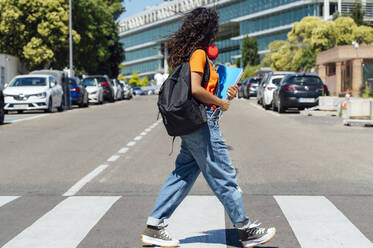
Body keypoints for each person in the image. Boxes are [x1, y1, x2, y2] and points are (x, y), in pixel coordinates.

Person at [141, 7, 276, 248]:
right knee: (223, 175)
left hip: (198, 123)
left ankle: (154, 225)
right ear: (207, 30)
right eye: (214, 29)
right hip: (201, 126)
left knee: (182, 175)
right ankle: (245, 229)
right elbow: (195, 89)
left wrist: (227, 94)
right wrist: (221, 102)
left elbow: (208, 91)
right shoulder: (198, 55)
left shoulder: (197, 56)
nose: (216, 33)